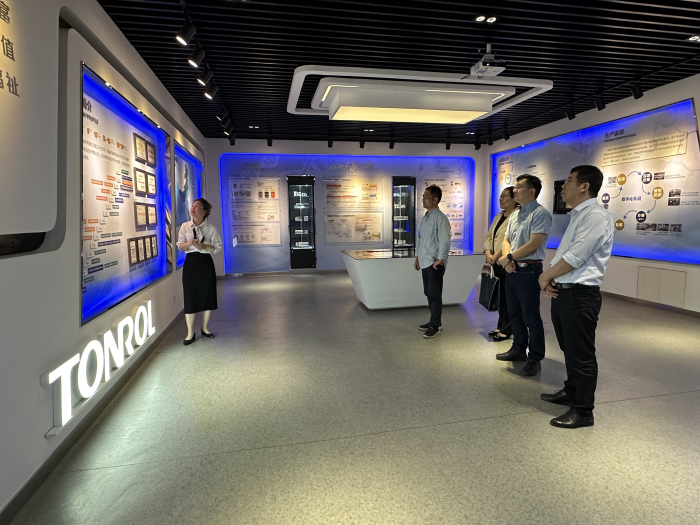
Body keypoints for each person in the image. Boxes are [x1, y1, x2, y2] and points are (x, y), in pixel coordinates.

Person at [538, 165, 614, 429]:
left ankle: (583, 411)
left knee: (581, 353)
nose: (563, 185)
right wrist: (554, 279)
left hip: (580, 295)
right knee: (568, 347)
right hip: (566, 291)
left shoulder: (596, 216)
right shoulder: (578, 215)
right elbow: (566, 254)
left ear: (584, 186)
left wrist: (545, 276)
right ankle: (571, 391)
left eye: (569, 180)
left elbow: (576, 257)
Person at [496, 175, 552, 376]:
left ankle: (535, 358)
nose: (514, 190)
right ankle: (518, 349)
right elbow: (506, 240)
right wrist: (507, 259)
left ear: (531, 191)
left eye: (519, 187)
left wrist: (509, 257)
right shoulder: (515, 214)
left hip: (529, 271)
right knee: (514, 313)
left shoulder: (540, 213)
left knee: (530, 316)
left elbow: (533, 244)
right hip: (512, 269)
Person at [176, 198, 222, 345]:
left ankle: (205, 328)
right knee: (190, 296)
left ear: (205, 211)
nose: (193, 207)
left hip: (205, 263)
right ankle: (190, 333)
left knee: (207, 294)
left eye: (198, 206)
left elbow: (218, 247)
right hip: (191, 263)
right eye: (193, 205)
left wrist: (205, 247)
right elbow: (180, 246)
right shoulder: (185, 226)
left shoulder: (211, 228)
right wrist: (189, 243)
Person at [414, 185, 451, 339]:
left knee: (434, 295)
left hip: (434, 263)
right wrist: (417, 257)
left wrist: (440, 259)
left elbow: (444, 240)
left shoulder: (440, 218)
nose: (423, 199)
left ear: (435, 200)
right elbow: (420, 240)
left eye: (426, 196)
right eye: (423, 196)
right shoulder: (425, 217)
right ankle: (434, 321)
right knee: (428, 293)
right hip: (424, 261)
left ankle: (435, 326)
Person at [483, 186, 519, 342]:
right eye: (500, 196)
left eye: (504, 196)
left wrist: (496, 255)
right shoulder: (498, 216)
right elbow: (489, 237)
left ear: (514, 199)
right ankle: (500, 325)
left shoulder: (516, 216)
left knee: (508, 298)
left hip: (506, 261)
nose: (501, 199)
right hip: (495, 262)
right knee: (500, 296)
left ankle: (507, 329)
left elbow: (507, 239)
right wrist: (488, 253)